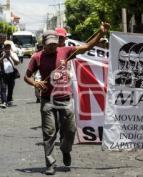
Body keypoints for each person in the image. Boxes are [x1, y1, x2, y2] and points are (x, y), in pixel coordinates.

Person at [24, 22, 110, 175]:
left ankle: (65, 149)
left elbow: (87, 47)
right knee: (49, 133)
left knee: (70, 131)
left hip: (66, 99)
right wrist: (35, 83)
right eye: (49, 44)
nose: (52, 47)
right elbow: (27, 77)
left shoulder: (66, 51)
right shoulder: (37, 57)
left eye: (54, 44)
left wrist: (101, 33)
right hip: (47, 101)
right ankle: (50, 164)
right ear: (43, 43)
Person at [0, 40, 20, 107]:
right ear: (4, 47)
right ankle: (4, 102)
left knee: (10, 88)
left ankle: (9, 100)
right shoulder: (1, 53)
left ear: (10, 47)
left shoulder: (13, 54)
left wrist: (11, 56)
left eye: (8, 47)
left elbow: (17, 62)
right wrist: (3, 57)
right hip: (3, 74)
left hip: (11, 74)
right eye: (6, 47)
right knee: (3, 88)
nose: (7, 48)